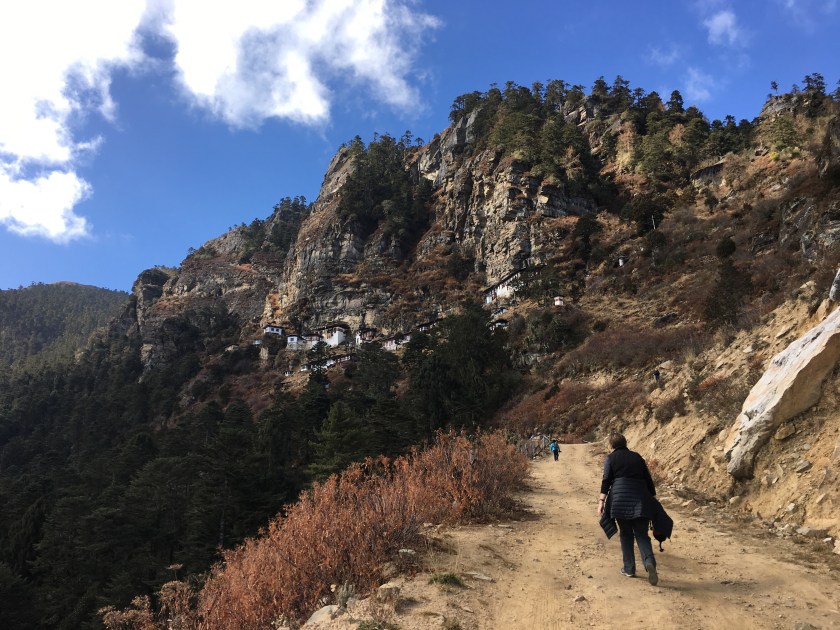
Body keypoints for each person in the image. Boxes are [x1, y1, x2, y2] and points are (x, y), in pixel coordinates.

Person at [597, 432, 659, 585]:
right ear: (625, 443)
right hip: (641, 499)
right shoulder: (637, 457)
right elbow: (648, 480)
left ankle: (629, 568)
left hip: (620, 500)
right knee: (642, 534)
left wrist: (601, 501)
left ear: (611, 445)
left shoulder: (611, 458)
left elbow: (606, 480)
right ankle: (649, 561)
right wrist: (653, 498)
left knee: (626, 534)